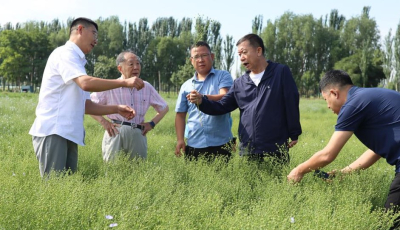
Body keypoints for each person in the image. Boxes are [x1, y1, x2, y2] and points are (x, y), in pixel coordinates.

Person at [29, 17, 145, 177]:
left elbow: (86, 105)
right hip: (53, 131)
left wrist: (116, 108)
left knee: (65, 190)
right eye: (94, 34)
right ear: (80, 29)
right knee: (54, 188)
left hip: (67, 133)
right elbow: (85, 83)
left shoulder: (77, 62)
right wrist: (124, 83)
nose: (96, 41)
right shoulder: (65, 54)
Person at [287, 69, 400, 228]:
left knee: (388, 223)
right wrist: (344, 173)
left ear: (334, 93)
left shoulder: (353, 104)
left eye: (326, 99)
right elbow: (376, 151)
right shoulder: (366, 97)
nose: (327, 106)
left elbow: (328, 154)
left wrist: (298, 170)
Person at [188, 34, 301, 164]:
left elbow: (291, 101)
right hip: (248, 150)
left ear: (258, 51)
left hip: (275, 147)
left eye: (244, 53)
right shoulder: (240, 83)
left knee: (277, 182)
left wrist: (294, 132)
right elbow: (222, 106)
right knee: (250, 183)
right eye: (239, 54)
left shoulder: (280, 72)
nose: (241, 58)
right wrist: (202, 102)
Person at [90, 50, 169, 162]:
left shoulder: (146, 87)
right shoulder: (110, 85)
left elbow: (164, 108)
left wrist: (151, 124)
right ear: (120, 68)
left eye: (138, 63)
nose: (136, 67)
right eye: (131, 64)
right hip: (115, 132)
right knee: (113, 170)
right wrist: (104, 122)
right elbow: (89, 104)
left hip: (138, 133)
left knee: (137, 171)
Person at [175, 41, 234, 161]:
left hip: (221, 142)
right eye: (196, 57)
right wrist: (180, 139)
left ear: (212, 57)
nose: (200, 60)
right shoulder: (186, 86)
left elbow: (225, 96)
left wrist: (203, 98)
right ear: (191, 61)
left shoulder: (223, 76)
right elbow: (180, 115)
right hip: (194, 143)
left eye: (204, 55)